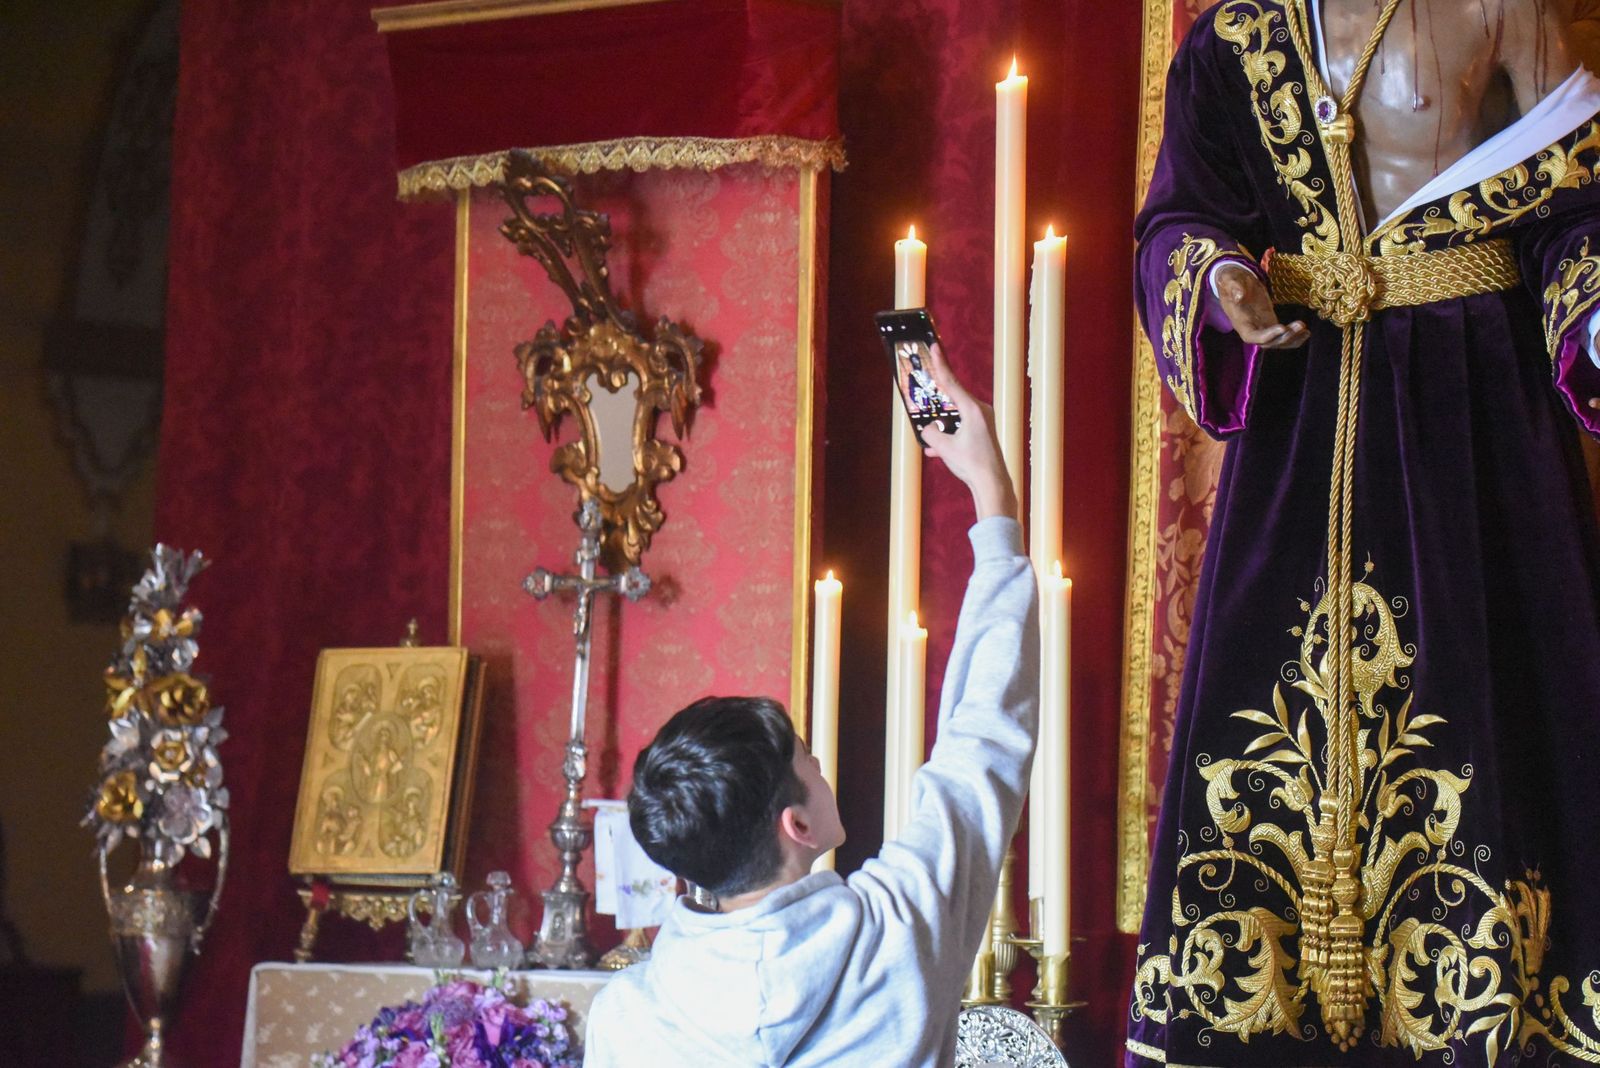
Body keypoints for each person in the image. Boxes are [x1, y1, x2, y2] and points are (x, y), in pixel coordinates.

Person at [1130, 0, 1600, 1064]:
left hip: (1472, 417)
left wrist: (1594, 304)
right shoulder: (1232, 37)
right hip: (1300, 417)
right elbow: (1177, 214)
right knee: (1267, 700)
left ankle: (1499, 996)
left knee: (1485, 688)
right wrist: (1218, 279)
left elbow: (1579, 202)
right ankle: (1250, 1003)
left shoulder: (1504, 8)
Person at [583, 344, 1038, 1067]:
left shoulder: (625, 1022)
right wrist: (993, 499)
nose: (820, 762)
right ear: (795, 823)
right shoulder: (899, 929)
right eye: (808, 760)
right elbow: (983, 745)